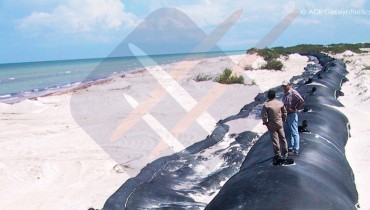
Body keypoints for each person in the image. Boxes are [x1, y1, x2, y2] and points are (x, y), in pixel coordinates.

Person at [261, 89, 288, 163]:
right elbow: (284, 112)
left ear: (268, 96)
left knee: (275, 139)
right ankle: (285, 153)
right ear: (275, 95)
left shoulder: (266, 105)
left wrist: (265, 123)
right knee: (283, 138)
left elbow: (264, 115)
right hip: (279, 123)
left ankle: (278, 154)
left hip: (271, 124)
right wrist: (283, 119)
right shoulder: (280, 103)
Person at [282, 81, 304, 155]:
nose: (284, 87)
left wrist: (296, 109)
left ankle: (296, 149)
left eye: (285, 86)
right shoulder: (285, 93)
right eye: (283, 86)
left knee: (294, 132)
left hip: (291, 115)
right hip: (286, 115)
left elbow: (301, 100)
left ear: (289, 85)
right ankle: (290, 148)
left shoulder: (293, 92)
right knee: (288, 132)